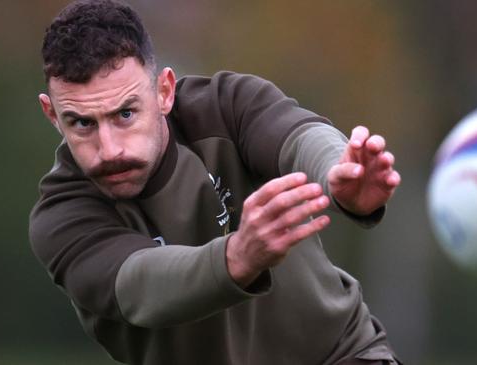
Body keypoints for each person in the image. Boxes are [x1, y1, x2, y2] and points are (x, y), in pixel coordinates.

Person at [29, 1, 402, 364]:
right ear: (52, 114)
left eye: (125, 114)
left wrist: (339, 173)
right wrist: (239, 256)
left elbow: (299, 137)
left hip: (342, 355)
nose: (110, 149)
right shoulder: (61, 217)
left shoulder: (224, 106)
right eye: (82, 123)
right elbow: (141, 287)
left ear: (164, 92)